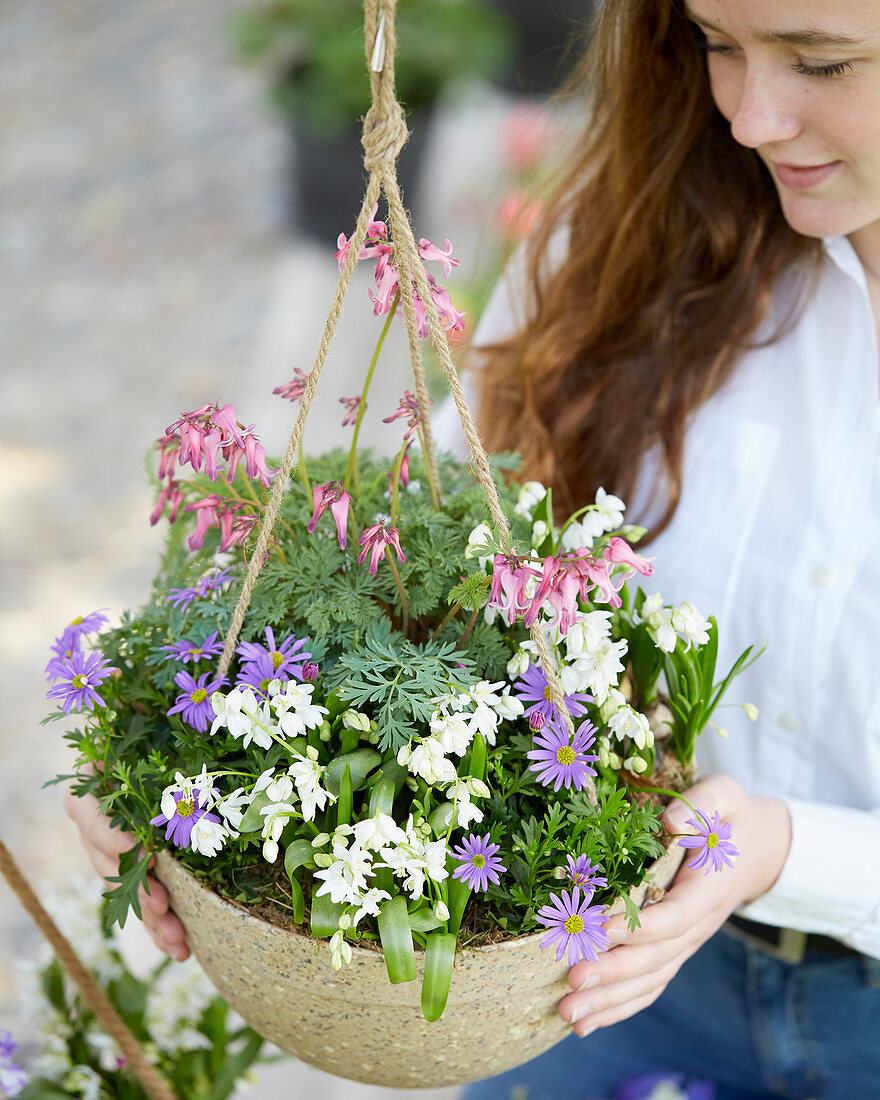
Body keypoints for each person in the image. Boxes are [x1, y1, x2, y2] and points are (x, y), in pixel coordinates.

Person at [67, 1, 880, 1096]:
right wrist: (164, 759)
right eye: (713, 44)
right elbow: (428, 541)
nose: (747, 116)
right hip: (581, 976)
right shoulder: (628, 232)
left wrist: (788, 849)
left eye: (822, 61)